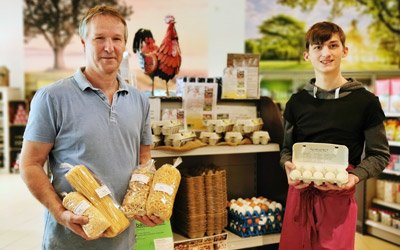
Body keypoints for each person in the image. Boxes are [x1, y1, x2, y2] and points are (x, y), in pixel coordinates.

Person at [19, 5, 162, 250]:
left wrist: (147, 202)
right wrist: (59, 212)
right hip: (70, 240)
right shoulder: (52, 98)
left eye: (117, 39)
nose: (109, 47)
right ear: (84, 43)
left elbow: (144, 159)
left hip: (124, 239)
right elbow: (30, 164)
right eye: (99, 38)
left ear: (124, 44)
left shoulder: (139, 100)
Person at [279, 21, 390, 250]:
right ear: (307, 54)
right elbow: (286, 150)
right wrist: (287, 165)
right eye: (317, 47)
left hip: (339, 199)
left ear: (344, 51)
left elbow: (379, 155)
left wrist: (354, 177)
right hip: (299, 199)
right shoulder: (296, 103)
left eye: (333, 45)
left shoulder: (366, 103)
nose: (325, 53)